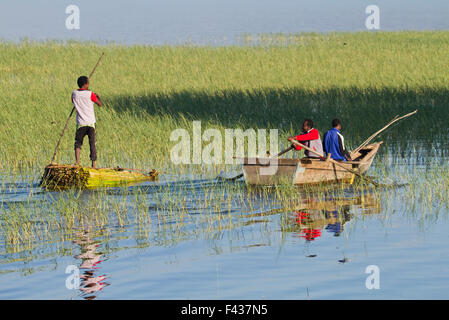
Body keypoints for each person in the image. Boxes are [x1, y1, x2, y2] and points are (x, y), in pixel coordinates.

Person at [72, 76, 102, 168]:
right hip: (90, 123)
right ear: (85, 84)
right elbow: (99, 104)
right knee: (92, 143)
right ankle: (93, 165)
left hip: (80, 123)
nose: (89, 84)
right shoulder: (91, 94)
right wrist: (98, 97)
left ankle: (77, 162)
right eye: (88, 83)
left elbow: (73, 101)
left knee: (78, 143)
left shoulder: (74, 93)